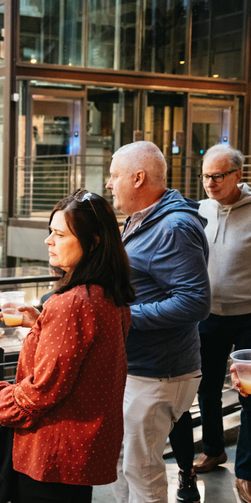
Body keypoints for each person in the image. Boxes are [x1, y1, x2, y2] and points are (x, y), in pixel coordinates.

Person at [0, 189, 134, 503]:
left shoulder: (71, 303)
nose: (48, 241)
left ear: (92, 243)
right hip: (82, 451)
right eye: (50, 232)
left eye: (59, 234)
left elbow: (43, 389)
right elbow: (86, 356)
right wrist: (41, 323)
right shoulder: (107, 293)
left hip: (53, 453)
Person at [106, 141, 211, 503]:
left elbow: (195, 302)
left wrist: (121, 317)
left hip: (158, 374)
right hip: (139, 368)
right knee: (123, 465)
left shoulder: (174, 227)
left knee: (142, 471)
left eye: (114, 175)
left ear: (138, 178)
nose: (109, 183)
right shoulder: (143, 220)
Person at [190, 144, 251, 503]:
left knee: (249, 396)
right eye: (205, 176)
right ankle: (214, 450)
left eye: (217, 176)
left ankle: (246, 472)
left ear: (238, 176)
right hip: (208, 315)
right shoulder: (201, 210)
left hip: (248, 318)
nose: (209, 183)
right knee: (207, 389)